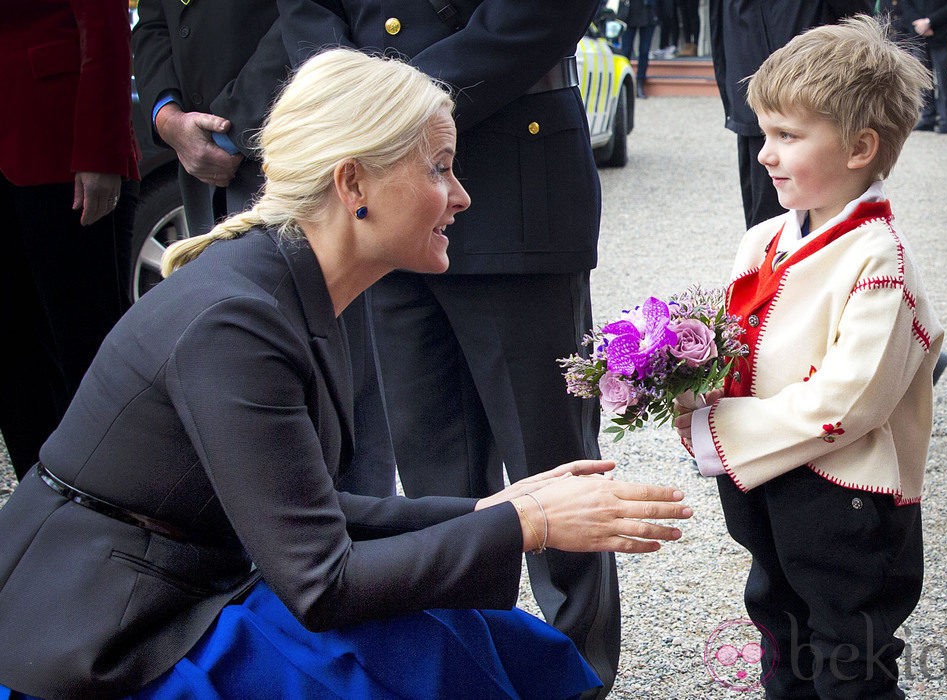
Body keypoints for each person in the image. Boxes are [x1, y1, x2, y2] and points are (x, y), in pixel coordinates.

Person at [0, 48, 694, 699]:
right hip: (103, 625)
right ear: (352, 181)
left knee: (495, 645)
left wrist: (491, 510)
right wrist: (528, 523)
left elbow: (304, 510)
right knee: (435, 660)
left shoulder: (289, 283)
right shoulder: (240, 319)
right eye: (440, 168)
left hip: (178, 587)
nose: (460, 196)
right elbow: (322, 583)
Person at [277, 1, 624, 692]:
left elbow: (538, 17)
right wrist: (357, 112)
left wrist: (387, 110)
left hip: (513, 183)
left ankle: (578, 676)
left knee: (553, 467)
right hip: (384, 207)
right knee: (434, 478)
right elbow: (308, 12)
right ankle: (465, 671)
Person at [675, 15, 943, 697]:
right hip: (770, 479)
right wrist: (684, 378)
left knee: (849, 654)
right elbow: (737, 337)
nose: (765, 153)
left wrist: (718, 430)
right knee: (780, 626)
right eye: (765, 132)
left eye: (787, 137)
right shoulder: (765, 237)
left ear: (860, 147)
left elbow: (851, 402)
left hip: (846, 497)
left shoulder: (881, 261)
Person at [132, 0, 398, 497]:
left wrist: (225, 127)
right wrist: (167, 117)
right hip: (200, 157)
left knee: (336, 377)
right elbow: (155, 20)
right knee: (240, 359)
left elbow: (307, 16)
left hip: (288, 143)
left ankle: (353, 545)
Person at [0, 0, 139, 481]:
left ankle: (121, 501)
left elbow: (103, 23)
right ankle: (39, 510)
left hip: (61, 149)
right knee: (14, 359)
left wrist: (102, 150)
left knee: (91, 350)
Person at [709, 0, 873, 229]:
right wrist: (735, 105)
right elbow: (720, 32)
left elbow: (860, 27)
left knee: (827, 215)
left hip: (815, 104)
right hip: (751, 102)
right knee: (765, 224)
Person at [893, 0, 947, 133]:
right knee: (922, 80)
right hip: (917, 34)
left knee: (944, 79)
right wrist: (918, 23)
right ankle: (927, 117)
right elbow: (905, 4)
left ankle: (946, 118)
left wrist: (930, 22)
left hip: (942, 34)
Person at [619, 0, 658, 98]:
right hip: (629, 10)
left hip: (648, 10)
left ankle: (640, 82)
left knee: (644, 51)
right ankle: (624, 83)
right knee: (625, 50)